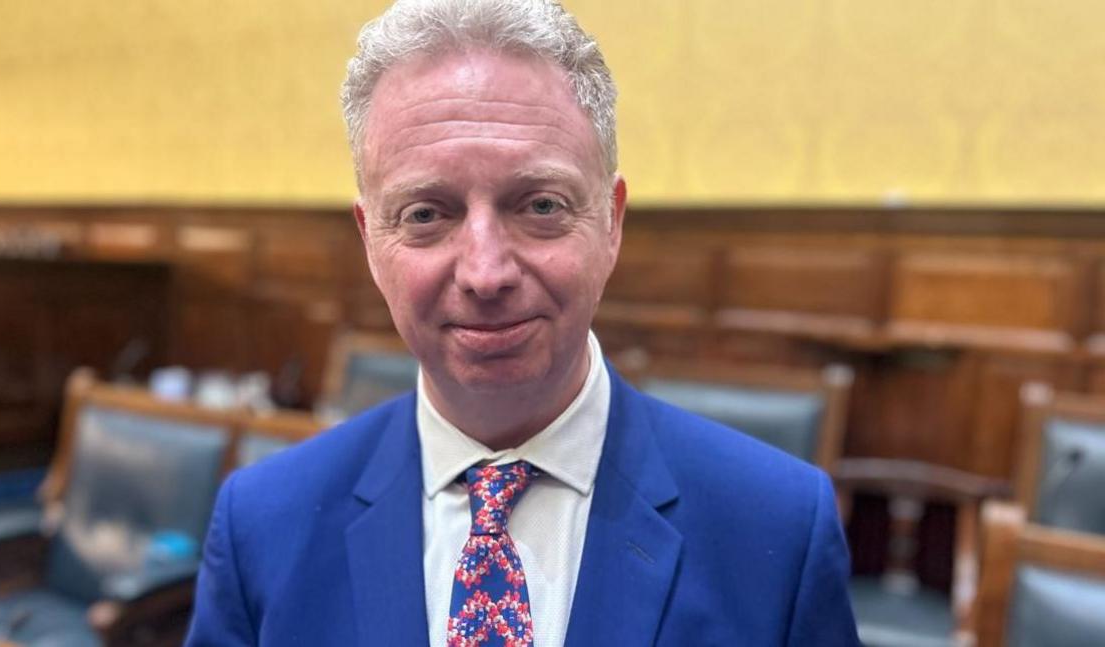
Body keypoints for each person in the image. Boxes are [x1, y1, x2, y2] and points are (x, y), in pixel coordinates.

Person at [185, 1, 859, 645]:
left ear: (611, 221)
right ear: (370, 239)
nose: (485, 273)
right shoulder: (263, 522)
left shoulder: (776, 526)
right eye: (427, 213)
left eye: (539, 205)